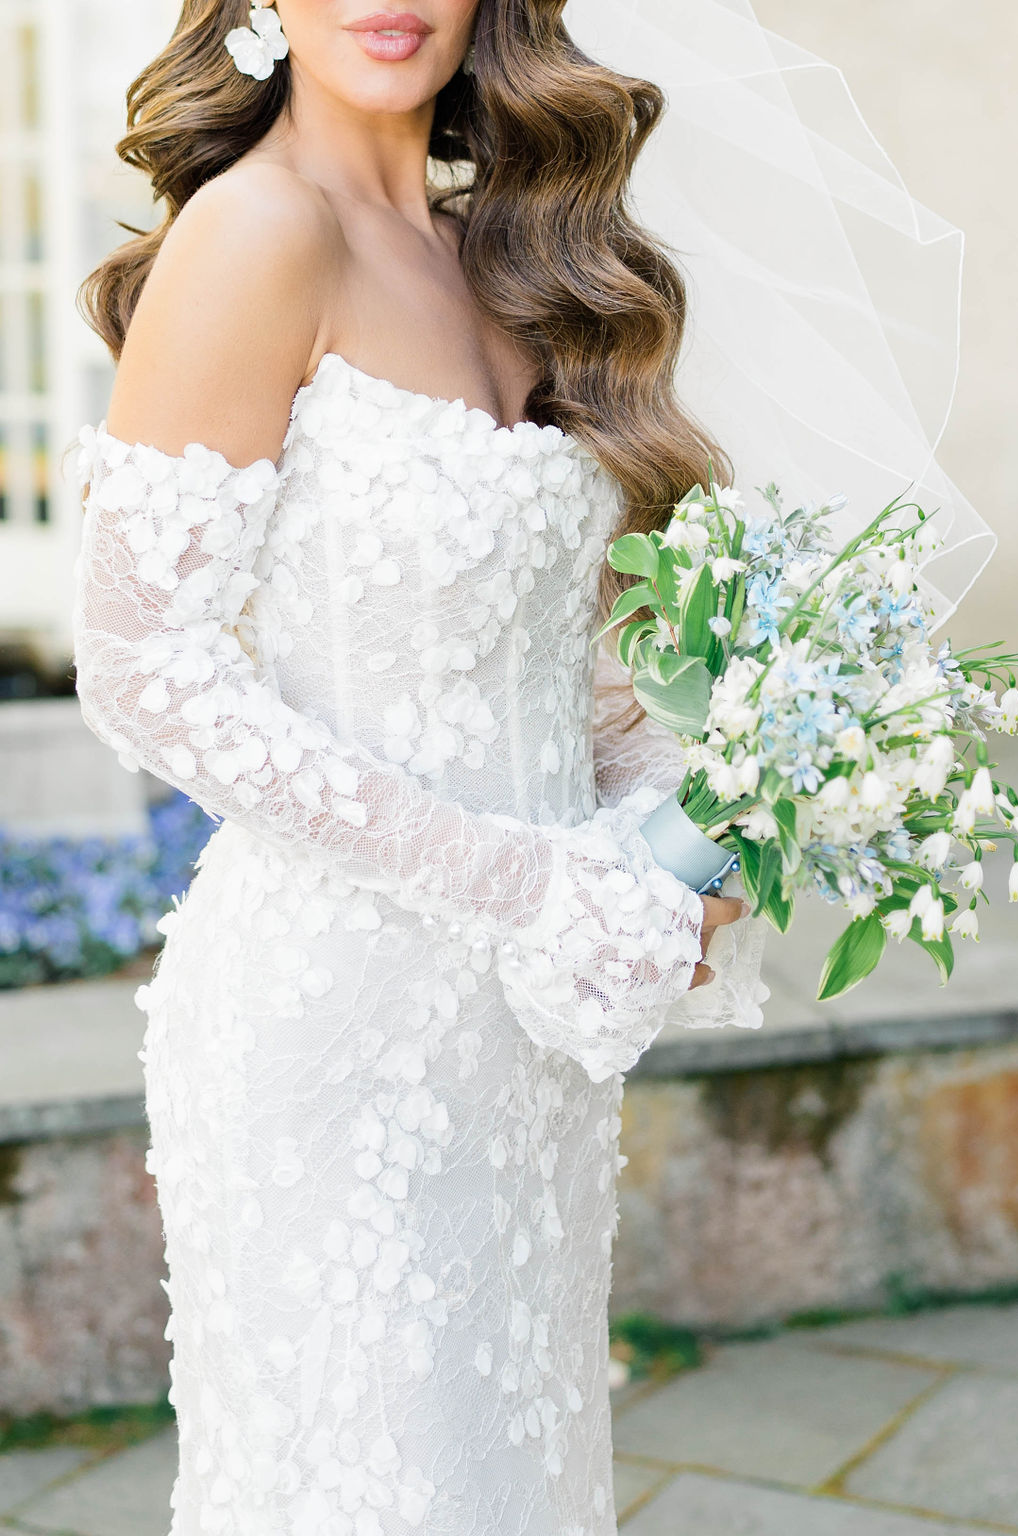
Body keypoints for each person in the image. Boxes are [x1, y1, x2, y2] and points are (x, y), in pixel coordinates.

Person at [71, 2, 748, 1530]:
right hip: (333, 1035)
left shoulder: (506, 262)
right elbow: (144, 666)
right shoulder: (255, 233)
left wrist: (710, 826)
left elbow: (560, 682)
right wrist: (532, 886)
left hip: (518, 1052)